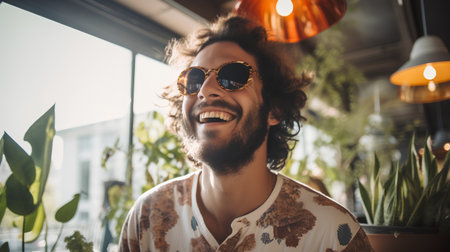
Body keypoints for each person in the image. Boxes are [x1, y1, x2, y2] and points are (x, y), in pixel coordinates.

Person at [119, 14, 373, 252]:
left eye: (233, 76)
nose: (205, 90)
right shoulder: (147, 219)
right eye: (195, 79)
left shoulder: (331, 234)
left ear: (274, 109)